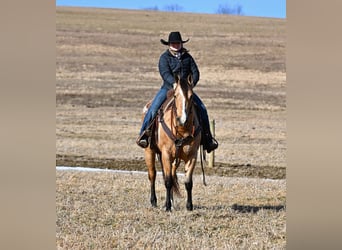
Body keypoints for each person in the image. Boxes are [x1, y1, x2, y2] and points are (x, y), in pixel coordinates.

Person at [136, 31, 218, 153]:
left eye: (178, 43)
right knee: (153, 109)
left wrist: (191, 85)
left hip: (185, 91)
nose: (176, 45)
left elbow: (196, 73)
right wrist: (174, 84)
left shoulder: (187, 57)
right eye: (173, 43)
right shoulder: (164, 58)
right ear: (169, 44)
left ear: (181, 44)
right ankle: (144, 135)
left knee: (202, 109)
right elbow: (164, 73)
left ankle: (208, 139)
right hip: (168, 88)